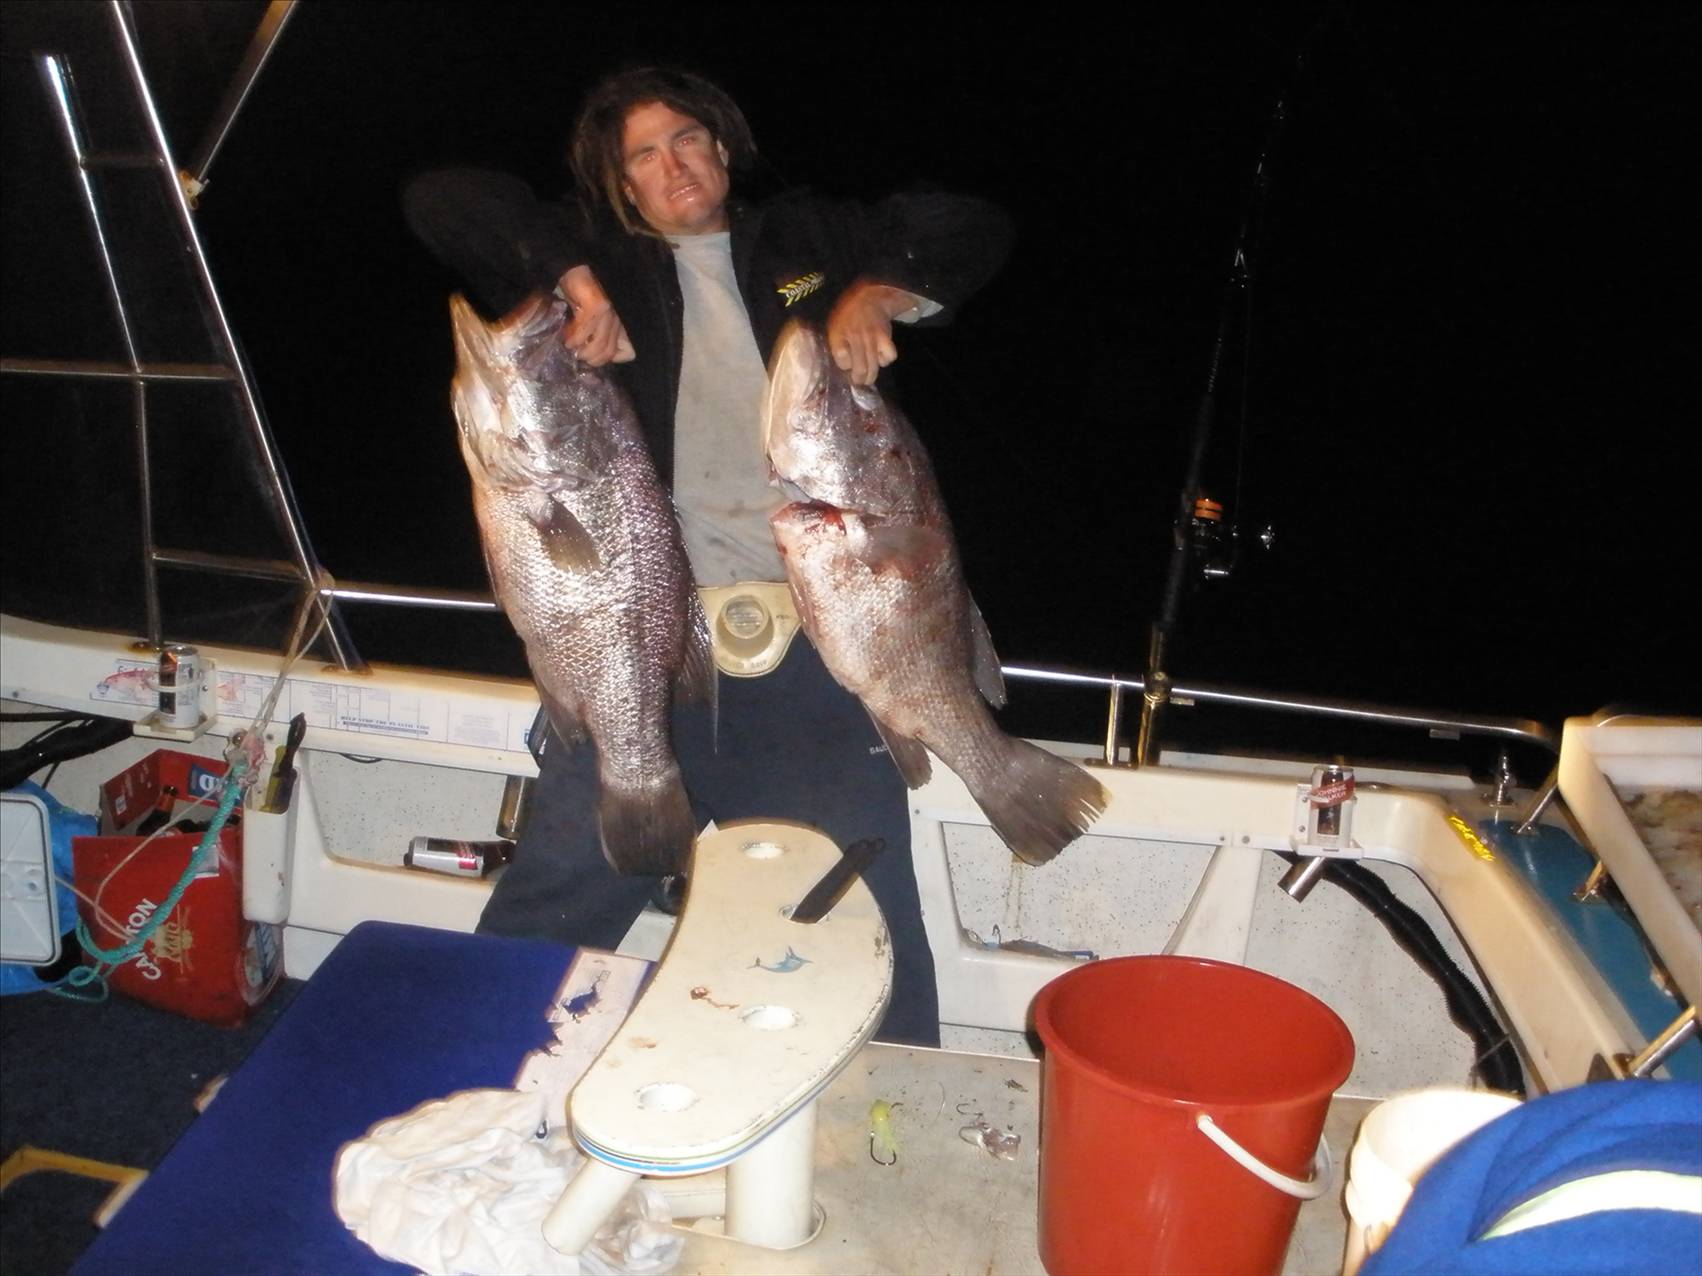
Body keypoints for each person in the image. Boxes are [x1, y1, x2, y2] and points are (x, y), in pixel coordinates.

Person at [404, 66, 1011, 1047]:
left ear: (721, 149)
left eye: (686, 139)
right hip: (644, 638)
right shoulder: (602, 262)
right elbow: (442, 200)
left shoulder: (808, 241)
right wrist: (573, 278)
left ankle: (893, 1104)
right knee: (557, 883)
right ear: (622, 185)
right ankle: (468, 1071)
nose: (673, 165)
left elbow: (973, 224)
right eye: (642, 156)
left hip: (815, 648)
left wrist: (881, 290)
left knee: (859, 911)